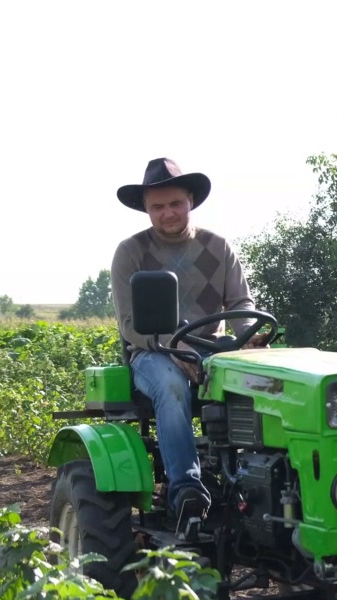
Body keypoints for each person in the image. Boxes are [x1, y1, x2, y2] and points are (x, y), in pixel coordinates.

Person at [110, 157, 260, 533]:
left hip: (210, 348)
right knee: (173, 387)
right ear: (145, 209)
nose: (167, 213)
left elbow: (241, 302)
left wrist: (248, 334)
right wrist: (173, 350)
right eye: (157, 207)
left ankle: (256, 483)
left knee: (265, 383)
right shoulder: (130, 253)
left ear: (190, 200)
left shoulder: (218, 247)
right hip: (151, 353)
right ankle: (186, 491)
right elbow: (130, 325)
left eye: (175, 203)